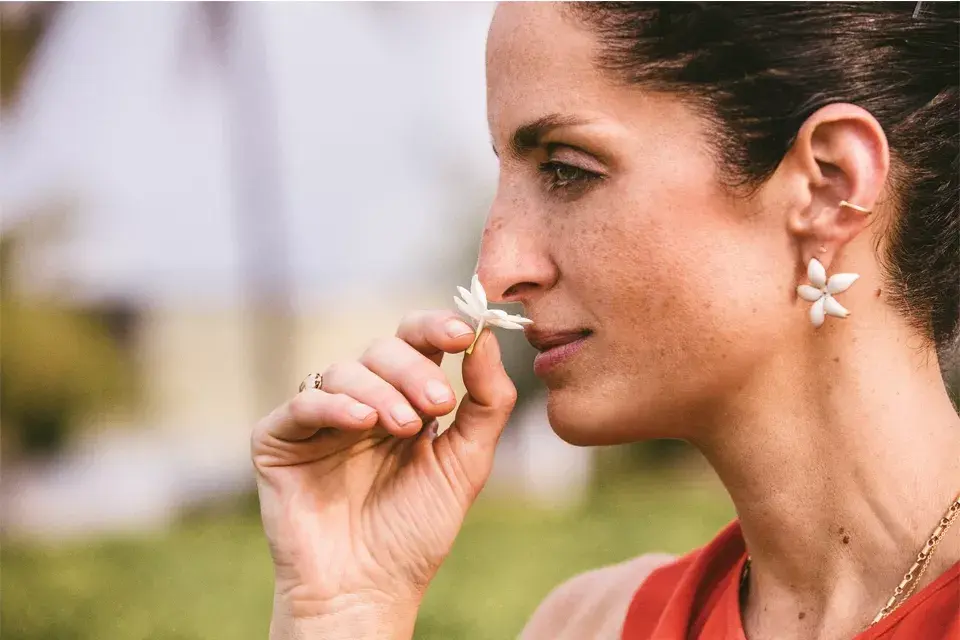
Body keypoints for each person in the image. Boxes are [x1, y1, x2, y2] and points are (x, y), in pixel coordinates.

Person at [251, 3, 960, 639]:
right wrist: (346, 610)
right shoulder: (589, 625)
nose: (496, 270)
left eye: (567, 169)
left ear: (828, 185)